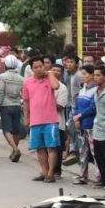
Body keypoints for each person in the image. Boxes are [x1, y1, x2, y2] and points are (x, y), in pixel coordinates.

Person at [23, 54, 63, 183]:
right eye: (36, 67)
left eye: (41, 66)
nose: (39, 69)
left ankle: (51, 173)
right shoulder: (28, 82)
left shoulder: (49, 79)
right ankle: (44, 172)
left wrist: (49, 74)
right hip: (35, 120)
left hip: (50, 120)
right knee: (39, 148)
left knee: (51, 147)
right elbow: (26, 101)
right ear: (32, 69)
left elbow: (56, 86)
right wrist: (26, 117)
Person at [0, 56, 27, 162]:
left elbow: (0, 92)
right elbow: (23, 93)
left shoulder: (2, 77)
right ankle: (14, 151)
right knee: (16, 130)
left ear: (5, 65)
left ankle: (15, 149)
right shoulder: (21, 78)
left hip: (6, 105)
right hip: (17, 105)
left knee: (6, 130)